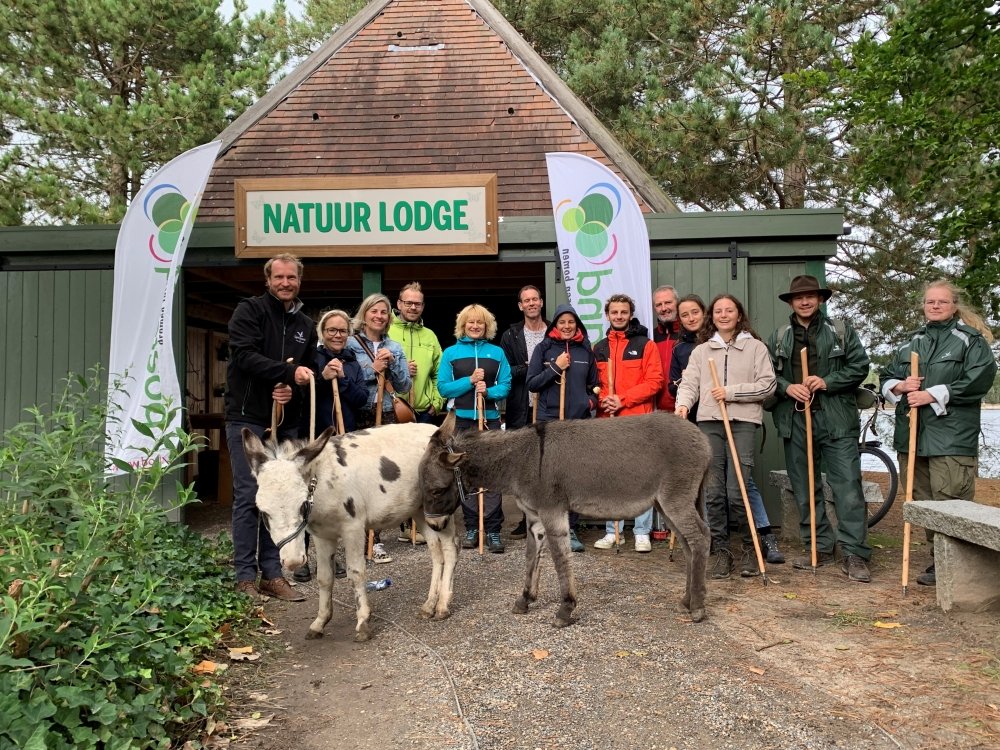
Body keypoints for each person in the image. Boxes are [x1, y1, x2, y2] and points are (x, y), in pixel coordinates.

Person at [880, 279, 997, 586]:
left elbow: (978, 380)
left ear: (954, 306)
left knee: (950, 499)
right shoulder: (910, 342)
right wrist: (900, 386)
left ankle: (961, 563)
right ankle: (938, 559)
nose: (935, 306)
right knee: (923, 502)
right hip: (912, 436)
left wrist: (931, 394)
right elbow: (887, 376)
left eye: (941, 302)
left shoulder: (970, 341)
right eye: (930, 302)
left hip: (951, 437)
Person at [767, 275, 873, 583]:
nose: (804, 301)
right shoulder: (780, 336)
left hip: (836, 420)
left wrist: (828, 381)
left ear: (820, 299)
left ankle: (854, 553)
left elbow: (859, 366)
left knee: (848, 488)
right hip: (796, 419)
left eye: (810, 296)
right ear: (790, 302)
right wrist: (788, 388)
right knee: (805, 488)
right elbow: (770, 375)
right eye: (798, 297)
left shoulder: (840, 331)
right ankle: (820, 547)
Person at [225, 253, 315, 601]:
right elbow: (243, 356)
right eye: (278, 277)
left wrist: (293, 385)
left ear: (299, 281)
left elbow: (302, 370)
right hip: (248, 417)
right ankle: (245, 576)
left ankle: (273, 574)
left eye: (291, 278)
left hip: (284, 422)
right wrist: (285, 373)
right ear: (267, 280)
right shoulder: (249, 311)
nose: (285, 283)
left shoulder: (305, 324)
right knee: (250, 497)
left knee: (281, 498)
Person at [674, 294, 781, 578]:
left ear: (738, 314)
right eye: (718, 311)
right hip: (710, 421)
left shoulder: (755, 347)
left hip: (743, 422)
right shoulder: (701, 351)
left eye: (729, 310)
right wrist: (683, 404)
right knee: (713, 492)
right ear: (712, 316)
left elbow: (767, 385)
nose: (723, 315)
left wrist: (731, 392)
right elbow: (690, 383)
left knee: (738, 491)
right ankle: (722, 551)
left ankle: (749, 547)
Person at [292, 309, 369, 583]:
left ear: (349, 334)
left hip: (341, 441)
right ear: (322, 333)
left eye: (342, 331)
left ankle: (331, 558)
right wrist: (323, 377)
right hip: (314, 437)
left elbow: (362, 399)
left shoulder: (353, 362)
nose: (337, 335)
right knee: (305, 498)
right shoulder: (312, 359)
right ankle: (301, 558)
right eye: (332, 330)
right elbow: (301, 395)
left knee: (334, 499)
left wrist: (343, 379)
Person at [592, 293, 664, 552]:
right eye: (614, 312)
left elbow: (654, 382)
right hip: (608, 423)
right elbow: (594, 386)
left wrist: (622, 400)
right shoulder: (598, 347)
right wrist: (604, 402)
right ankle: (613, 530)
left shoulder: (645, 345)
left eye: (624, 312)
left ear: (630, 314)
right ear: (608, 315)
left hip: (637, 422)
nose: (619, 316)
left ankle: (642, 531)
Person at [438, 304, 512, 553]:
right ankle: (472, 526)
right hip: (462, 421)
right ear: (463, 325)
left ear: (487, 325)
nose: (475, 326)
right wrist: (469, 381)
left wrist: (488, 391)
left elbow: (506, 385)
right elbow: (444, 388)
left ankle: (492, 529)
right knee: (465, 474)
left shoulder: (497, 352)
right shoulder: (451, 353)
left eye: (480, 322)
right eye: (470, 322)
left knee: (493, 474)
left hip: (489, 419)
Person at [526, 304, 600, 552]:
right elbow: (532, 383)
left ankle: (571, 529)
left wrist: (590, 402)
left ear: (577, 324)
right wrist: (556, 367)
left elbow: (595, 385)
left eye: (571, 322)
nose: (567, 326)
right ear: (555, 325)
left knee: (576, 478)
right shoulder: (544, 349)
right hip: (550, 421)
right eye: (562, 322)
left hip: (579, 423)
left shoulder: (585, 350)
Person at [347, 293, 412, 564]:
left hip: (385, 412)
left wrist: (394, 364)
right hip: (358, 412)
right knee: (358, 476)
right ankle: (363, 538)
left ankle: (376, 538)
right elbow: (346, 380)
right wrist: (370, 369)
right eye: (374, 311)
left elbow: (404, 385)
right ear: (365, 313)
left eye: (384, 312)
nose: (379, 316)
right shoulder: (350, 344)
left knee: (380, 476)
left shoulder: (394, 346)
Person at [388, 281, 444, 544]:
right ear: (398, 304)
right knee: (396, 468)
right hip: (393, 410)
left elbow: (438, 373)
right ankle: (401, 522)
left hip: (422, 411)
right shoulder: (386, 330)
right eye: (408, 302)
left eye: (417, 303)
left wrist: (437, 400)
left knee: (421, 468)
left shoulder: (430, 336)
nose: (412, 307)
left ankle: (418, 524)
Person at [499, 285, 548, 539]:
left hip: (547, 405)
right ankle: (525, 517)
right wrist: (529, 368)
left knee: (546, 463)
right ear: (520, 306)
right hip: (521, 406)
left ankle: (547, 515)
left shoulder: (553, 331)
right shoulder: (511, 335)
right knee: (523, 466)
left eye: (534, 299)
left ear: (541, 302)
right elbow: (505, 371)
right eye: (526, 300)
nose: (531, 303)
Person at [668, 294, 707, 422]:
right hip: (691, 415)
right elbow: (672, 386)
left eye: (695, 312)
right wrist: (684, 380)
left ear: (704, 313)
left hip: (719, 413)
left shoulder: (718, 341)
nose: (691, 318)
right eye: (685, 315)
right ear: (680, 319)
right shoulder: (679, 347)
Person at [652, 285, 681, 413]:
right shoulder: (650, 337)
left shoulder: (690, 334)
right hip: (657, 412)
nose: (664, 308)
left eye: (668, 302)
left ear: (678, 303)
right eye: (659, 305)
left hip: (686, 408)